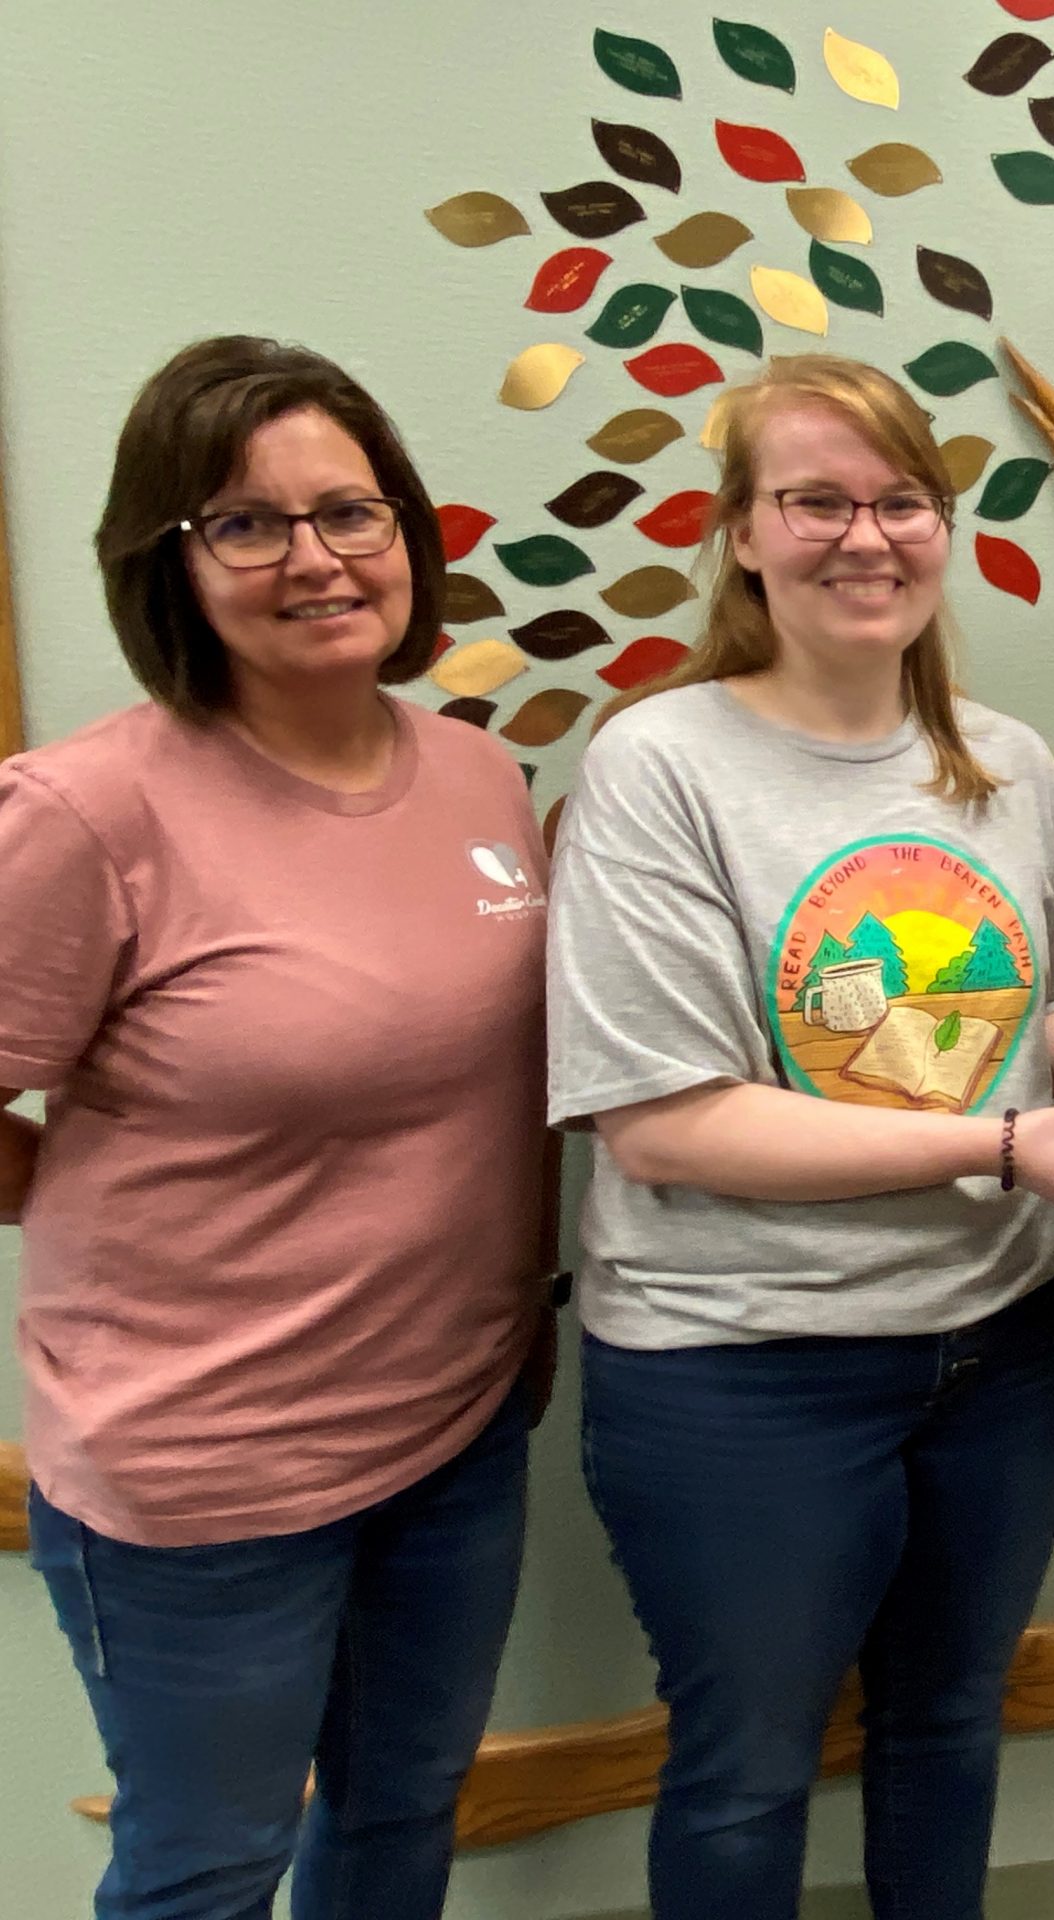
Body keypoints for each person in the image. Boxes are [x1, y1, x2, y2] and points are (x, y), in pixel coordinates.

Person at [546, 354, 1054, 1920]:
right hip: (744, 1371)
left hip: (1002, 1349)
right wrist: (1006, 1148)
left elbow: (1041, 1020)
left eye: (901, 502)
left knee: (947, 1724)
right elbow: (664, 1124)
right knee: (746, 1773)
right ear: (740, 532)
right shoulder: (657, 768)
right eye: (815, 501)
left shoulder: (998, 760)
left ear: (943, 528)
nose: (864, 539)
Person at [0, 336, 551, 1919]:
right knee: (208, 1870)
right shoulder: (87, 810)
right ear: (166, 562)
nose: (315, 558)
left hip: (452, 1434)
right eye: (246, 523)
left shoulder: (473, 776)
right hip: (204, 1476)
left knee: (399, 1830)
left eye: (351, 513)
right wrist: (134, 1228)